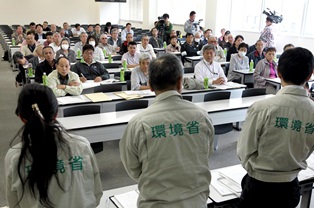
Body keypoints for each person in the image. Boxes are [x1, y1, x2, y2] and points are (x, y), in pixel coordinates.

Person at [120, 53, 214, 208]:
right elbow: (206, 153)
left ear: (150, 85)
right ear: (180, 82)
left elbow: (133, 169)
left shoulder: (139, 123)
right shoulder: (202, 117)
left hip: (156, 202)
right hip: (197, 201)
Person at [237, 47, 314, 208]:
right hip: (290, 186)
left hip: (259, 186)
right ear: (310, 75)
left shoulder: (262, 107)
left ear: (278, 72)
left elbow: (244, 150)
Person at [5, 83, 102, 208]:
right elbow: (96, 193)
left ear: (22, 118)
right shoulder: (81, 145)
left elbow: (13, 203)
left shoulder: (15, 157)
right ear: (56, 114)